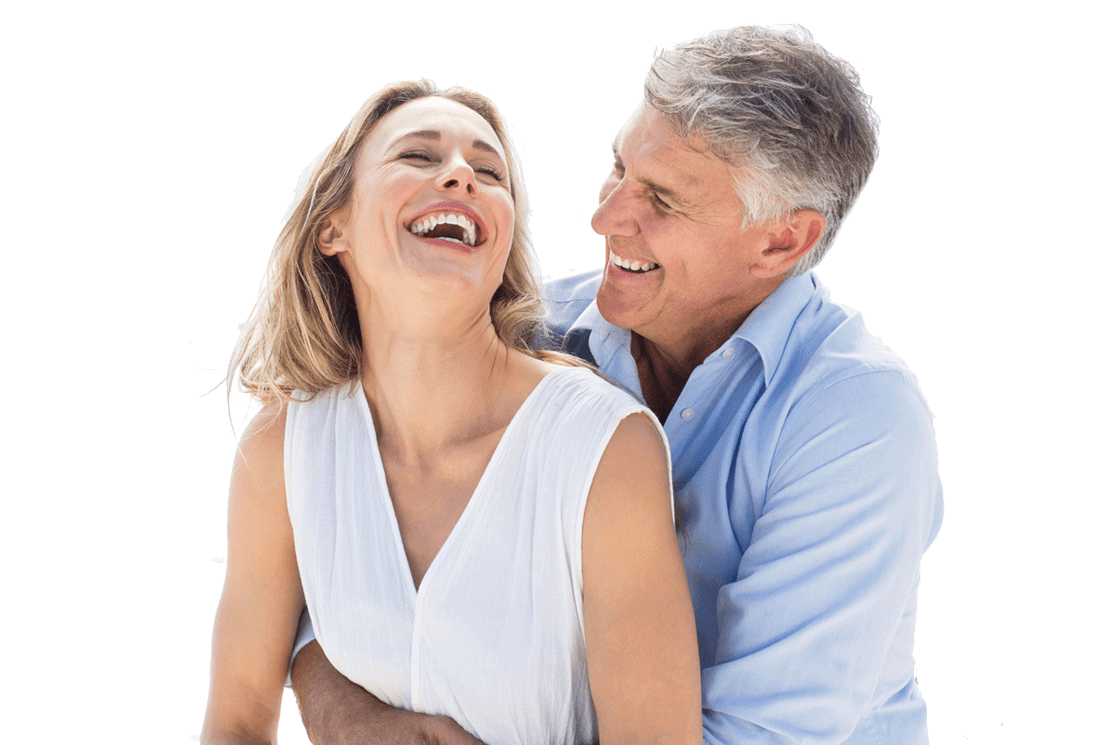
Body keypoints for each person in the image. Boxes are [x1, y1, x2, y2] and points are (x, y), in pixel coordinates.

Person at [289, 26, 944, 745]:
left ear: (780, 241)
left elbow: (754, 735)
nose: (603, 218)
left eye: (661, 199)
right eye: (618, 168)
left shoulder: (857, 419)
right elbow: (339, 567)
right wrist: (353, 719)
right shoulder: (524, 335)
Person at [200, 80, 701, 745]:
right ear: (332, 228)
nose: (462, 175)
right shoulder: (280, 449)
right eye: (418, 155)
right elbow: (235, 724)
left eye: (489, 172)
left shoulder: (604, 448)